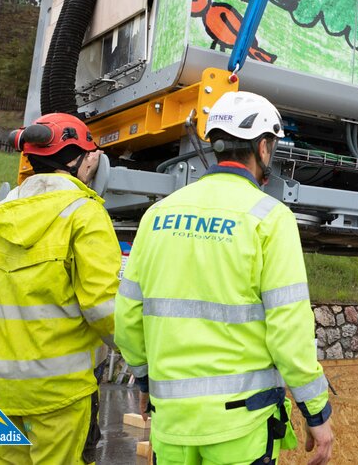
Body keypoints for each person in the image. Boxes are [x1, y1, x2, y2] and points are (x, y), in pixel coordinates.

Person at [116, 91, 334, 465]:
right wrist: (316, 412)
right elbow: (288, 329)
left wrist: (145, 381)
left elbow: (127, 317)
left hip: (172, 424)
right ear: (264, 148)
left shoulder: (158, 214)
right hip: (241, 427)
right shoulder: (269, 217)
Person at [0, 113, 119, 464]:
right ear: (74, 159)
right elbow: (104, 308)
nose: (94, 161)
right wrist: (147, 352)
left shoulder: (5, 213)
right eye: (91, 154)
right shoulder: (84, 214)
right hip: (59, 393)